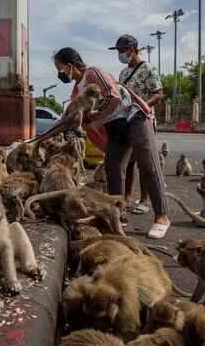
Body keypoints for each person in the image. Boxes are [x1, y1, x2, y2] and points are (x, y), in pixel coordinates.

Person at [52, 47, 170, 239]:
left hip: (134, 116)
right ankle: (117, 214)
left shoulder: (94, 73)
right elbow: (67, 120)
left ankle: (161, 216)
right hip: (115, 127)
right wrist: (38, 141)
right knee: (113, 166)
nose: (60, 74)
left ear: (70, 66)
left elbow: (114, 97)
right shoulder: (76, 92)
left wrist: (94, 117)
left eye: (60, 69)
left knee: (148, 164)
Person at [108, 35, 164, 215]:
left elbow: (158, 93)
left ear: (131, 50)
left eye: (121, 51)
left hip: (141, 118)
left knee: (145, 162)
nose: (120, 55)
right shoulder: (123, 73)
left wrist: (142, 105)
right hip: (126, 119)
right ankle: (127, 198)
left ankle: (145, 201)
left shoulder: (148, 69)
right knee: (128, 162)